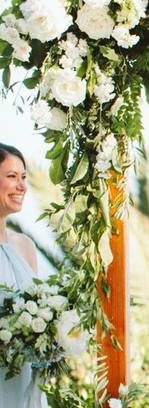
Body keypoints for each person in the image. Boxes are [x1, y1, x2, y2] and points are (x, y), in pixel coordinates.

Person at [0, 142, 48, 408]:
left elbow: (41, 307)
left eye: (24, 178)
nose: (22, 186)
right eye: (11, 177)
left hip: (24, 380)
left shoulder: (25, 246)